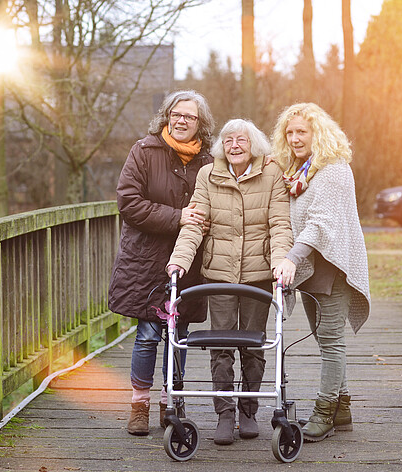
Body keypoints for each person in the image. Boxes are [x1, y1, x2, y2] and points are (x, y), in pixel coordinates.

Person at [167, 119, 294, 445]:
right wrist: (179, 261)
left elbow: (280, 223)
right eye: (228, 140)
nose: (234, 146)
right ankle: (225, 413)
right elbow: (194, 225)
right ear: (221, 146)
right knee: (221, 345)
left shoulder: (272, 175)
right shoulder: (207, 175)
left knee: (254, 344)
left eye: (242, 140)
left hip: (258, 275)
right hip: (219, 275)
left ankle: (249, 410)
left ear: (254, 144)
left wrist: (281, 261)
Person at [108, 90, 215, 436]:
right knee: (148, 334)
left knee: (179, 334)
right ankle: (139, 404)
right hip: (148, 260)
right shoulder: (144, 151)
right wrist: (178, 217)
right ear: (167, 116)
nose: (181, 120)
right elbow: (129, 203)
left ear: (201, 123)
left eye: (189, 116)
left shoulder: (210, 162)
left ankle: (171, 402)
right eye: (176, 114)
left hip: (188, 263)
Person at [272, 103, 371, 442]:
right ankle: (342, 410)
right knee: (323, 338)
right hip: (312, 269)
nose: (295, 138)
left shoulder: (333, 169)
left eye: (302, 131)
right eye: (290, 132)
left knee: (331, 342)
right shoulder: (299, 172)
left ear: (318, 133)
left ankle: (325, 411)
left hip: (333, 267)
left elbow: (321, 223)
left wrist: (292, 258)